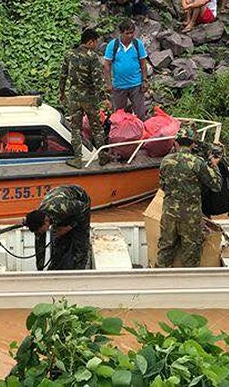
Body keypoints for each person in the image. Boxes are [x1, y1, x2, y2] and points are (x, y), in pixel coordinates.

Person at [156, 126, 221, 268]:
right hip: (190, 216)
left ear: (176, 143)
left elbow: (162, 185)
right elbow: (216, 185)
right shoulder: (197, 163)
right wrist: (214, 166)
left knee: (165, 249)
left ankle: (158, 284)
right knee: (191, 254)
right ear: (192, 144)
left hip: (169, 213)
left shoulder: (166, 161)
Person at [58, 28, 109, 168]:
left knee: (75, 128)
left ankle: (77, 159)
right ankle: (103, 156)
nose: (96, 45)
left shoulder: (69, 54)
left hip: (74, 97)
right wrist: (104, 98)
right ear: (90, 41)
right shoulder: (92, 56)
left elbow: (63, 75)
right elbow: (98, 80)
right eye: (95, 42)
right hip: (90, 97)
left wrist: (61, 93)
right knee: (96, 128)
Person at [24, 184, 92, 271]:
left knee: (80, 248)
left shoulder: (62, 207)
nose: (40, 234)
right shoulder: (38, 220)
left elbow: (84, 208)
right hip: (61, 211)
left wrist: (69, 227)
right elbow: (40, 249)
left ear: (46, 222)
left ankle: (79, 272)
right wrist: (40, 271)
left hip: (80, 205)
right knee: (58, 246)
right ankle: (55, 272)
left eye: (40, 231)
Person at [103, 18, 148, 120]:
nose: (130, 36)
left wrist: (144, 80)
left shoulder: (137, 44)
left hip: (136, 84)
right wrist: (109, 84)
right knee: (119, 115)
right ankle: (121, 134)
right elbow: (107, 65)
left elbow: (143, 64)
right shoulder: (113, 45)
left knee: (140, 113)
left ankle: (141, 133)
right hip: (119, 85)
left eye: (132, 33)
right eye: (127, 33)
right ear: (121, 33)